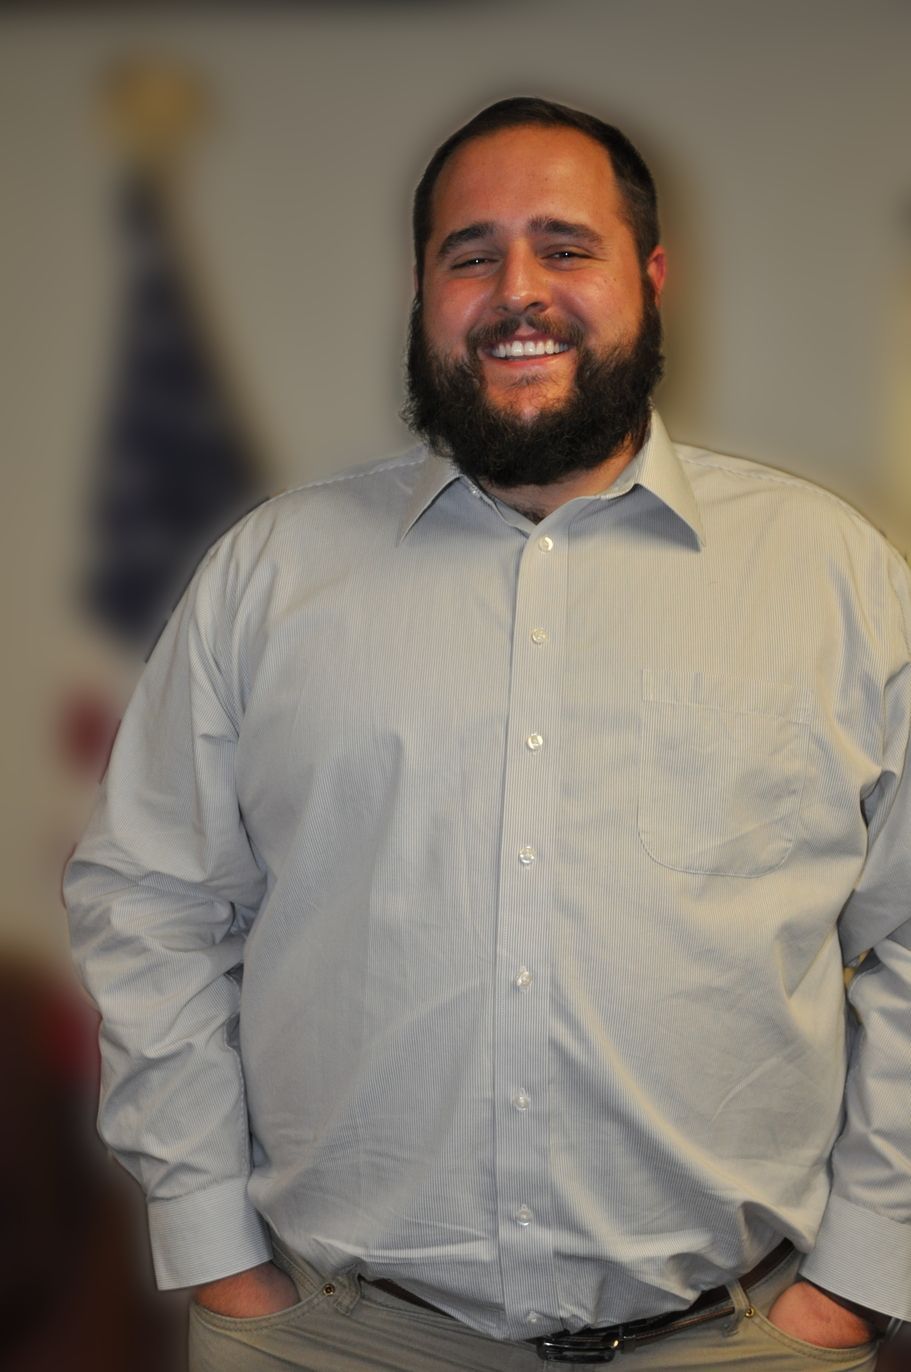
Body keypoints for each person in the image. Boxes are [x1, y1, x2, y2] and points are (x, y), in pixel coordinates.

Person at [66, 97, 910, 1371]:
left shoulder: (833, 577)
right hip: (330, 1338)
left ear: (650, 276)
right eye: (472, 254)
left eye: (566, 247)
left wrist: (855, 1280)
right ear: (422, 288)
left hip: (737, 1341)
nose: (518, 290)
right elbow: (151, 902)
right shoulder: (271, 575)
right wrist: (216, 1253)